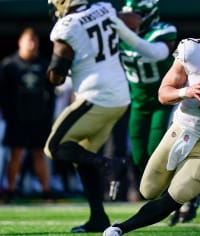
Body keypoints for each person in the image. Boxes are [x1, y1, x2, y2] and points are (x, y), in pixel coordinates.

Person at [103, 2, 200, 235]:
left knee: (175, 196)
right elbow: (163, 93)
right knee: (147, 189)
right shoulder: (190, 51)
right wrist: (186, 91)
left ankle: (119, 229)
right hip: (180, 131)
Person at [44, 0, 133, 233]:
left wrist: (53, 71)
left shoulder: (67, 25)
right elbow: (131, 22)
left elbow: (58, 75)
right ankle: (98, 217)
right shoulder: (104, 7)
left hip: (97, 96)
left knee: (55, 146)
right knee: (82, 154)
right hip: (120, 97)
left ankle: (110, 165)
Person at [0, 27, 55, 202]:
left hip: (38, 118)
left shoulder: (44, 64)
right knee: (15, 154)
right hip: (17, 118)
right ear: (20, 42)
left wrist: (48, 115)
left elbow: (51, 93)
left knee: (39, 153)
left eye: (34, 41)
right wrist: (9, 115)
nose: (31, 44)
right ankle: (10, 189)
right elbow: (4, 94)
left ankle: (46, 191)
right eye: (28, 40)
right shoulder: (10, 65)